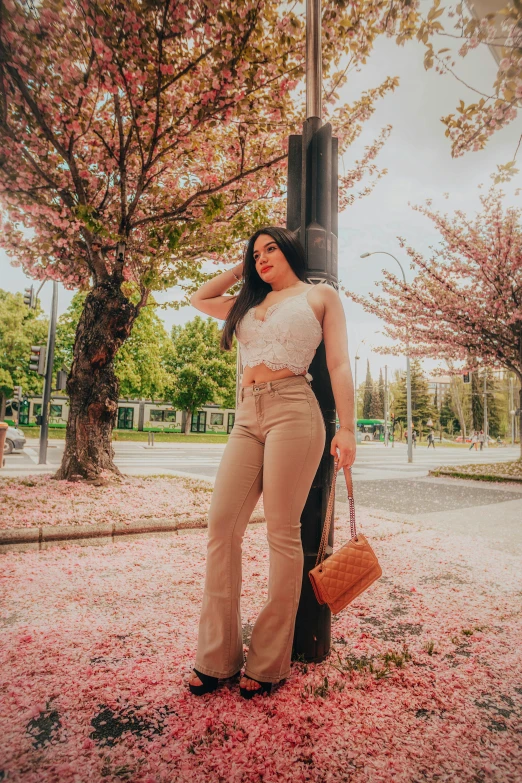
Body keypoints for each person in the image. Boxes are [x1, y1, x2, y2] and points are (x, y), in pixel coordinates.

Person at [187, 227, 356, 699]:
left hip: (294, 412)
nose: (262, 258)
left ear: (290, 251)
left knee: (282, 532)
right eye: (255, 252)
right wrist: (242, 267)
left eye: (270, 249)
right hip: (247, 415)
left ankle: (266, 663)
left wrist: (348, 427)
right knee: (222, 527)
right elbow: (199, 297)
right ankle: (217, 658)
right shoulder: (246, 305)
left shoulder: (320, 296)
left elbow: (339, 364)